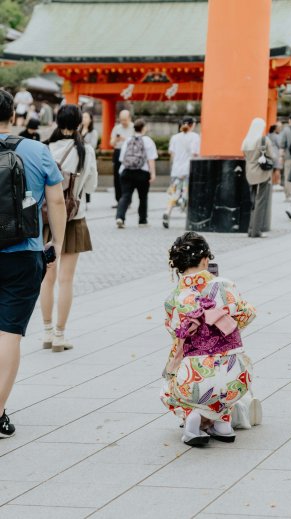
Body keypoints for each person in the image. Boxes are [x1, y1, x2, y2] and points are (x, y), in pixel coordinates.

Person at [0, 89, 66, 437]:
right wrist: (56, 243)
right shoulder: (37, 150)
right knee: (9, 334)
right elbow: (56, 201)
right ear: (14, 116)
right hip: (24, 253)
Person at [160, 232, 256, 446]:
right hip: (236, 378)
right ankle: (222, 422)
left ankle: (192, 417)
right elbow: (247, 314)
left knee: (170, 383)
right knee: (223, 374)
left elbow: (174, 332)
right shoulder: (225, 286)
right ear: (205, 260)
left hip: (194, 380)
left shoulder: (174, 299)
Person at [40, 104, 98, 352]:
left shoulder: (44, 149)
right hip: (74, 219)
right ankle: (61, 336)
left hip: (46, 220)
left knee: (47, 278)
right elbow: (91, 186)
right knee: (66, 279)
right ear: (79, 124)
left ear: (56, 121)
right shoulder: (86, 150)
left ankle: (47, 331)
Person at [115, 118, 157, 228]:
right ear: (144, 128)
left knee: (125, 196)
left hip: (127, 172)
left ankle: (120, 217)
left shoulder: (128, 140)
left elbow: (121, 159)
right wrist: (153, 174)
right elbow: (151, 159)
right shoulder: (148, 141)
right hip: (142, 173)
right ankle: (142, 221)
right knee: (143, 197)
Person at [162, 116, 200, 229]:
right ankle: (186, 210)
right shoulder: (195, 137)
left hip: (176, 170)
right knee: (186, 193)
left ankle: (167, 211)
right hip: (188, 169)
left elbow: (172, 154)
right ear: (191, 125)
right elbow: (195, 154)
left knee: (174, 193)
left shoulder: (175, 137)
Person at [242, 117, 274, 238]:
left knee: (253, 202)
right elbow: (272, 155)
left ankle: (251, 229)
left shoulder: (246, 141)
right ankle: (256, 231)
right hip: (261, 174)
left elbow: (244, 155)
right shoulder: (263, 140)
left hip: (249, 173)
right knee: (261, 202)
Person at [110, 110, 133, 207]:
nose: (123, 122)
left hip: (130, 153)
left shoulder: (133, 128)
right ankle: (119, 200)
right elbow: (111, 143)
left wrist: (125, 139)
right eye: (121, 120)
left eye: (125, 120)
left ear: (129, 118)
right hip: (118, 152)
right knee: (117, 177)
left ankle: (127, 200)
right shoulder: (117, 128)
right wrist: (116, 139)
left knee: (129, 178)